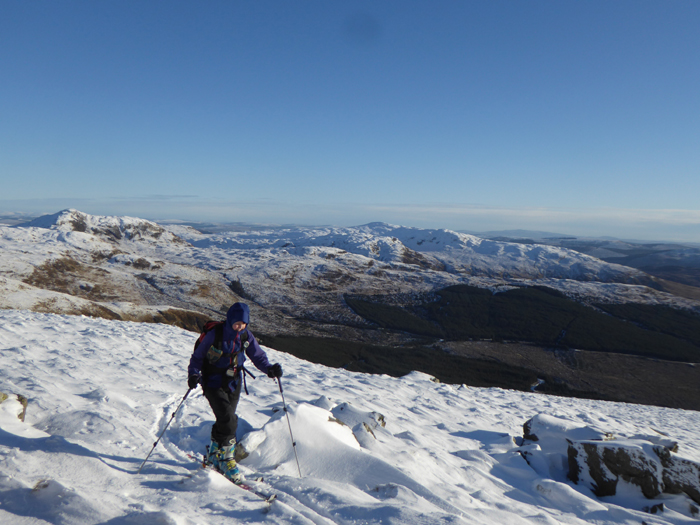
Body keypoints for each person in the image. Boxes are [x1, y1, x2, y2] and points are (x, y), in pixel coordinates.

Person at [187, 302, 283, 482]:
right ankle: (226, 459)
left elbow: (258, 356)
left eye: (243, 323)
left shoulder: (245, 336)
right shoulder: (215, 334)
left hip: (234, 383)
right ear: (230, 320)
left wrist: (269, 369)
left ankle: (215, 453)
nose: (240, 327)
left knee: (226, 418)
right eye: (237, 323)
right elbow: (198, 357)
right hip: (212, 382)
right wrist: (193, 374)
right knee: (229, 420)